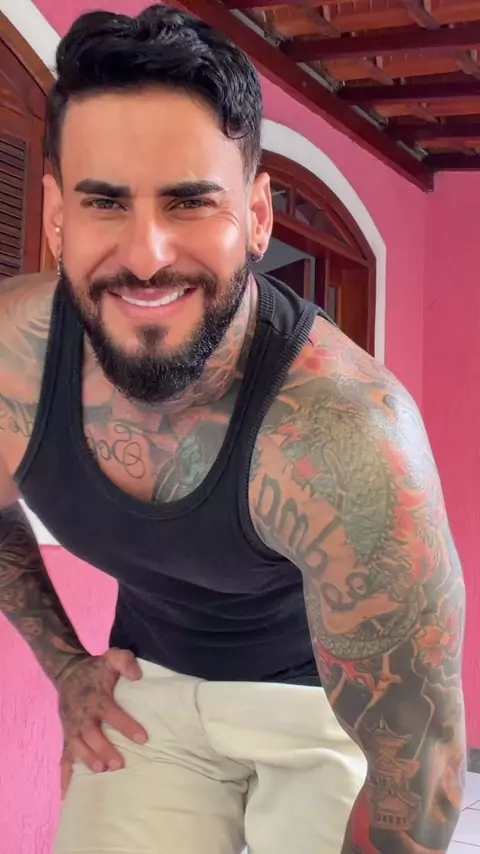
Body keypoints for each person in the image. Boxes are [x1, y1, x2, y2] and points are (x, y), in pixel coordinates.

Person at [0, 5, 466, 853]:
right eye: (105, 202)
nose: (146, 255)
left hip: (326, 708)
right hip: (150, 687)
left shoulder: (347, 438)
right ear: (59, 215)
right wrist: (65, 664)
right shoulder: (11, 358)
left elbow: (422, 766)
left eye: (190, 203)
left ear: (256, 217)